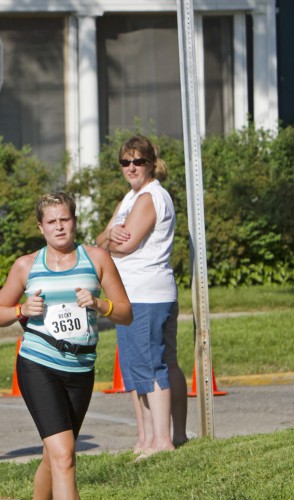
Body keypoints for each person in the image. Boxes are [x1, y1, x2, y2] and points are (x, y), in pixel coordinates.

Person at [0, 191, 132, 500]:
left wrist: (99, 305)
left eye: (65, 219)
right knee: (65, 453)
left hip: (80, 368)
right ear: (41, 227)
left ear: (74, 221)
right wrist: (22, 310)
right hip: (38, 363)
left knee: (56, 456)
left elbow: (126, 313)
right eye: (51, 221)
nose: (59, 227)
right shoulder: (26, 266)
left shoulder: (96, 259)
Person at [94, 135, 187, 456]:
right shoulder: (130, 197)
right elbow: (101, 241)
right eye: (125, 162)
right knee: (138, 367)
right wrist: (109, 235)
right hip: (134, 292)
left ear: (151, 164)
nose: (131, 167)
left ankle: (162, 441)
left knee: (150, 366)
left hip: (147, 292)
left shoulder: (150, 197)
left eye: (138, 161)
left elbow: (125, 245)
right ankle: (147, 439)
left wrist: (111, 240)